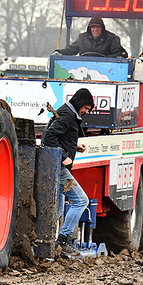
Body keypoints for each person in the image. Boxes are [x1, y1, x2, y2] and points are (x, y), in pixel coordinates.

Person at [41, 88, 94, 257]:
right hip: (60, 169)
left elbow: (57, 135)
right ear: (79, 102)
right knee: (81, 201)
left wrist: (74, 146)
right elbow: (49, 137)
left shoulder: (66, 111)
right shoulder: (67, 115)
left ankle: (45, 242)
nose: (86, 112)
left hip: (55, 167)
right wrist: (64, 156)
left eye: (88, 110)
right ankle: (63, 241)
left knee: (55, 209)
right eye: (86, 107)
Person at [56, 16, 128, 58]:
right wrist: (59, 52)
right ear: (89, 28)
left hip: (106, 71)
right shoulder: (82, 39)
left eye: (98, 27)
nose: (95, 30)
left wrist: (105, 59)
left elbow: (121, 53)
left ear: (102, 28)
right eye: (93, 27)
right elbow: (71, 50)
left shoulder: (111, 39)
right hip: (83, 70)